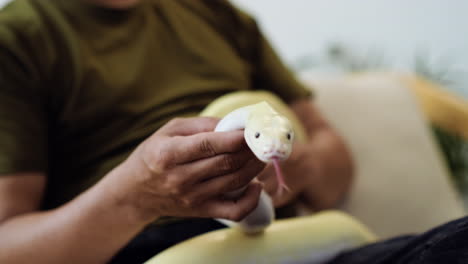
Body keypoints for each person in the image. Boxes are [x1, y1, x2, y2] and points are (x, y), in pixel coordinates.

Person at [0, 0, 466, 264]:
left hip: (299, 248)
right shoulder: (18, 35)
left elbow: (333, 157)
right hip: (150, 248)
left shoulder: (218, 13)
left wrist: (302, 165)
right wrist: (136, 197)